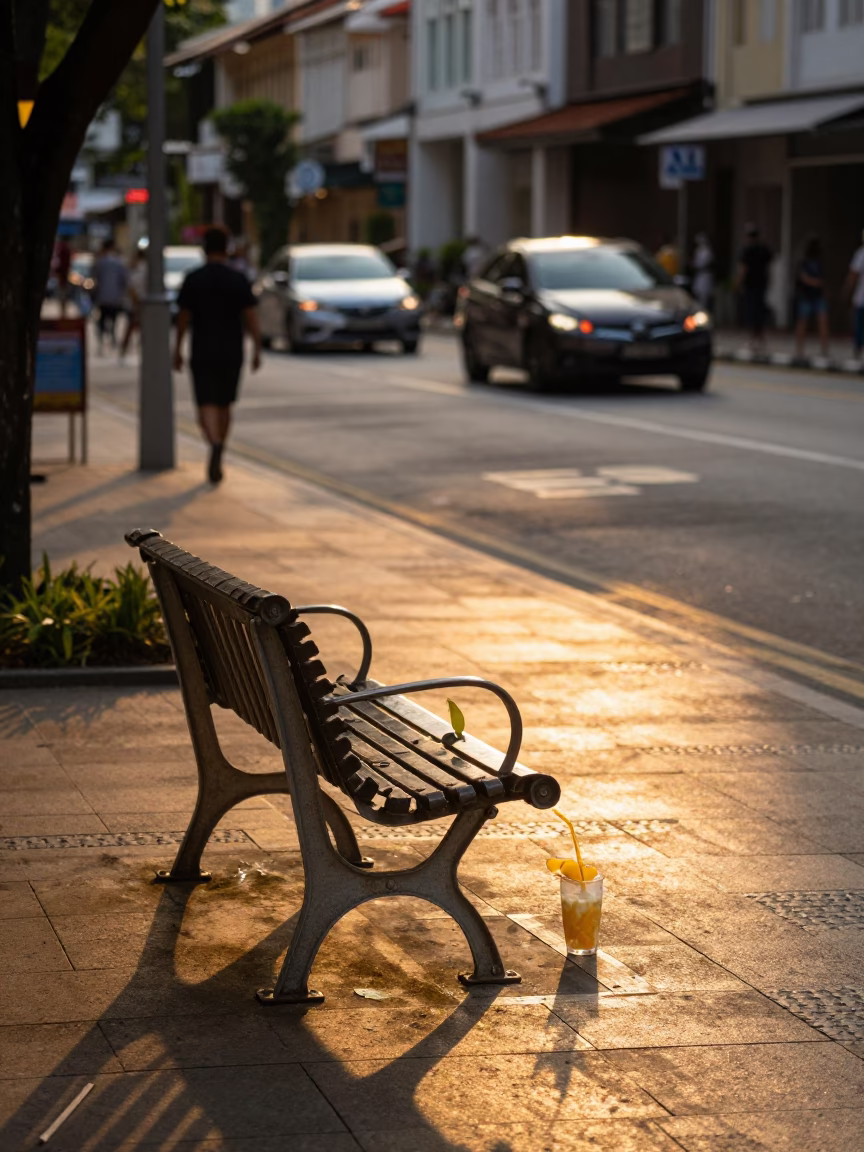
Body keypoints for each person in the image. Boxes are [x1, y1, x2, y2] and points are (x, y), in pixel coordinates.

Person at [173, 225, 262, 484]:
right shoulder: (238, 279)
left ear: (204, 249)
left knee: (205, 405)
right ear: (228, 249)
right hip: (232, 351)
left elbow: (183, 318)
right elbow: (251, 317)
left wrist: (177, 349)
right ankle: (221, 445)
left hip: (202, 349)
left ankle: (213, 443)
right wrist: (257, 349)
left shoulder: (193, 279)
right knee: (225, 404)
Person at [736, 224, 773, 350]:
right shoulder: (763, 249)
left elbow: (744, 269)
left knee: (752, 311)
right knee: (760, 311)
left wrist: (738, 283)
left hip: (751, 285)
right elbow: (769, 266)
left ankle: (753, 339)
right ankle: (760, 339)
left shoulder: (748, 250)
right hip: (761, 284)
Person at [794, 236, 829, 359]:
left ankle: (824, 350)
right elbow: (803, 278)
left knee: (821, 322)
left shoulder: (818, 261)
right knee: (803, 323)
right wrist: (816, 283)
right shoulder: (805, 261)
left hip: (815, 296)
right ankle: (799, 350)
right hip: (807, 296)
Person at [92, 240, 128, 352]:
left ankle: (102, 341)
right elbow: (124, 280)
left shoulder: (100, 262)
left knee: (102, 319)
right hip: (115, 297)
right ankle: (112, 338)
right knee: (113, 319)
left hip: (103, 297)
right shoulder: (119, 262)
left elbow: (95, 278)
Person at [119, 248, 147, 362]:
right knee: (137, 329)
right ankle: (127, 351)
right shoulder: (144, 268)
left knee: (131, 329)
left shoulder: (138, 269)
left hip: (137, 304)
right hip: (140, 304)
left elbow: (132, 288)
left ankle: (124, 352)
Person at [845, 228, 864, 358]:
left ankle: (857, 350)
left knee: (859, 326)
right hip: (861, 297)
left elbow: (853, 275)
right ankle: (857, 350)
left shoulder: (861, 254)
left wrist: (847, 290)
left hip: (861, 298)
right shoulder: (861, 254)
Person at [690, 233, 715, 312]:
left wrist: (694, 265)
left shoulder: (707, 251)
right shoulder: (698, 251)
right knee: (698, 294)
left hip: (705, 276)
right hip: (699, 276)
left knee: (704, 297)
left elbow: (701, 264)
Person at [52, 237, 72, 317]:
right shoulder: (63, 249)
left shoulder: (63, 249)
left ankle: (63, 313)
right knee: (62, 296)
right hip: (63, 276)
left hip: (63, 276)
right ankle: (63, 313)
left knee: (63, 296)